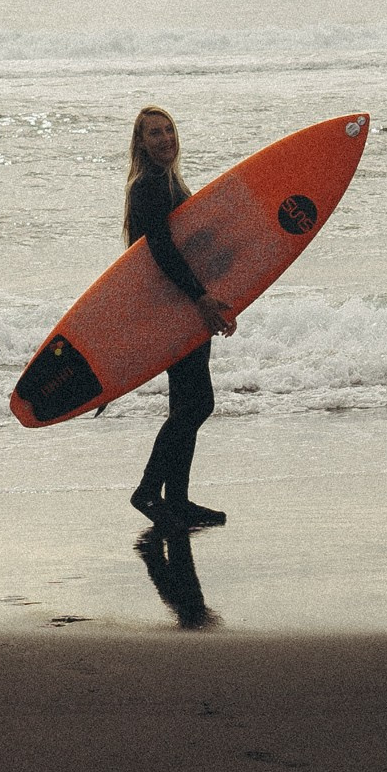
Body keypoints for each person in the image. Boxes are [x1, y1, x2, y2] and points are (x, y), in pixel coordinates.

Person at [123, 105, 237, 527]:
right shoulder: (149, 186)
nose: (165, 139)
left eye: (169, 130)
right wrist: (202, 299)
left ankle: (176, 501)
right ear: (141, 143)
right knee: (196, 404)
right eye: (154, 133)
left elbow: (189, 247)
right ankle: (150, 492)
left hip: (181, 302)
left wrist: (218, 297)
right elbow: (163, 252)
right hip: (174, 305)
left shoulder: (164, 180)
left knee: (186, 404)